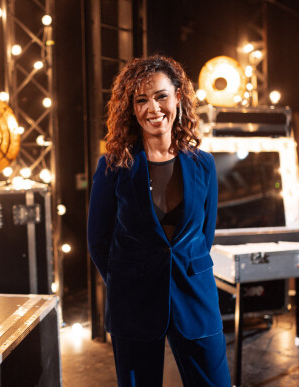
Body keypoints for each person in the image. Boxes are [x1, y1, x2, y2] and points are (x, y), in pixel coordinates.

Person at [87, 54, 231, 386]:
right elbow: (98, 240)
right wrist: (127, 280)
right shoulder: (112, 166)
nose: (153, 108)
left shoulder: (203, 164)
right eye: (141, 100)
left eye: (161, 96)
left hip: (195, 298)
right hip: (133, 302)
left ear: (178, 97)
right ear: (131, 108)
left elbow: (203, 237)